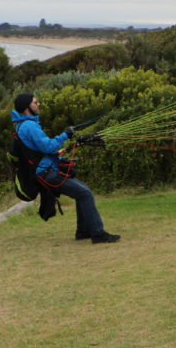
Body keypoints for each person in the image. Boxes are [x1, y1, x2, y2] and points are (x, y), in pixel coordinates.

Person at [11, 92, 120, 244]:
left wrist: (59, 156)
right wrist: (65, 135)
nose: (39, 104)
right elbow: (48, 146)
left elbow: (37, 152)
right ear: (26, 108)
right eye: (35, 102)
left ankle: (83, 231)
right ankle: (98, 234)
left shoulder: (22, 125)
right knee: (85, 193)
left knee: (83, 192)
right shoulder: (29, 126)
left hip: (44, 170)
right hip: (46, 173)